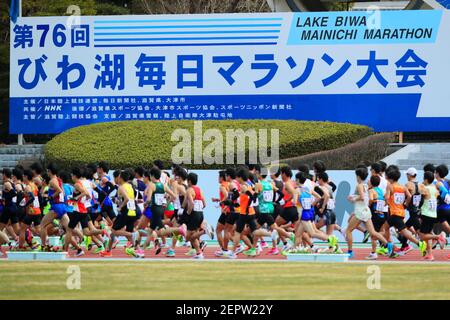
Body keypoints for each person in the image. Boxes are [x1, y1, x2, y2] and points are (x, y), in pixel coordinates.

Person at [346, 167, 394, 259]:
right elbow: (364, 197)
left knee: (348, 230)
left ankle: (350, 252)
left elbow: (362, 197)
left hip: (360, 212)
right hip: (366, 211)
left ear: (358, 176)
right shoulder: (366, 185)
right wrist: (355, 197)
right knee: (373, 232)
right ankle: (388, 245)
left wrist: (353, 199)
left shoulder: (359, 185)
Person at [385, 167, 427, 256]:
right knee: (386, 227)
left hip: (394, 213)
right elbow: (409, 196)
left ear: (390, 178)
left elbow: (386, 197)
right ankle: (391, 247)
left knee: (404, 232)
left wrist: (386, 202)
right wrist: (405, 205)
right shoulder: (403, 187)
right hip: (401, 212)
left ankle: (419, 243)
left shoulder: (390, 186)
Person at [418, 171, 447, 261]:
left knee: (422, 236)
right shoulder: (435, 189)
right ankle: (430, 255)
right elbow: (440, 196)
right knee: (428, 234)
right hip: (433, 214)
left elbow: (420, 196)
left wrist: (421, 185)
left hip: (426, 214)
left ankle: (439, 236)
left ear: (425, 179)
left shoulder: (425, 189)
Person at [184, 172, 206, 259]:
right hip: (200, 214)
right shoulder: (199, 190)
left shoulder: (189, 190)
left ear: (189, 181)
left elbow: (191, 203)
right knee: (193, 236)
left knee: (188, 237)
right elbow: (204, 204)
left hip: (194, 214)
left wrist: (188, 213)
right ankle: (199, 253)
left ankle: (204, 231)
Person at [403, 167, 423, 253]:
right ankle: (404, 246)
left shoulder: (408, 184)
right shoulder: (420, 185)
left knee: (420, 233)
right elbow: (423, 198)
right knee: (405, 230)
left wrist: (405, 204)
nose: (406, 176)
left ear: (410, 175)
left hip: (413, 212)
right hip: (417, 211)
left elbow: (406, 196)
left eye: (407, 174)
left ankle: (437, 238)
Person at [434, 164, 450, 253]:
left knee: (425, 224)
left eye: (435, 172)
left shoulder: (437, 183)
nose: (434, 174)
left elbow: (444, 192)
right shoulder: (447, 182)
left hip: (441, 209)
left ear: (438, 173)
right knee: (446, 228)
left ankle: (438, 238)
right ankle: (441, 236)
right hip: (448, 208)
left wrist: (440, 198)